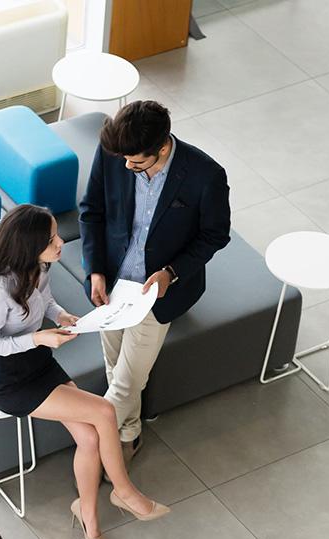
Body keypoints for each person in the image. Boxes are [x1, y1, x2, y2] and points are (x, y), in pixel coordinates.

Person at [0, 203, 168, 539]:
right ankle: (124, 491)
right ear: (28, 244)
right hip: (12, 382)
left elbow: (45, 301)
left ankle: (87, 515)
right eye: (51, 239)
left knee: (90, 437)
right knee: (105, 413)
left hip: (40, 366)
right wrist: (38, 338)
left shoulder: (38, 266)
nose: (60, 242)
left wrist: (62, 316)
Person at [79, 99, 230, 463]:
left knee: (127, 380)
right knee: (115, 366)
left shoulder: (205, 175)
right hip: (113, 283)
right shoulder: (115, 153)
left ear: (162, 147)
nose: (126, 167)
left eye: (136, 162)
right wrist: (95, 269)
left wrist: (172, 273)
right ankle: (129, 434)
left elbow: (215, 235)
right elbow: (92, 211)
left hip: (158, 293)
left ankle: (94, 450)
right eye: (124, 160)